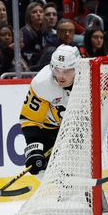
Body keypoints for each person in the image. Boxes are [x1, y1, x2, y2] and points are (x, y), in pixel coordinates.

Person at [20, 44, 81, 175]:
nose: (60, 76)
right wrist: (34, 149)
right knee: (42, 171)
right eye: (57, 70)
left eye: (66, 71)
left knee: (79, 170)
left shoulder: (90, 80)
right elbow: (30, 119)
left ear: (77, 68)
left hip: (78, 130)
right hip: (49, 129)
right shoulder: (43, 83)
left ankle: (88, 193)